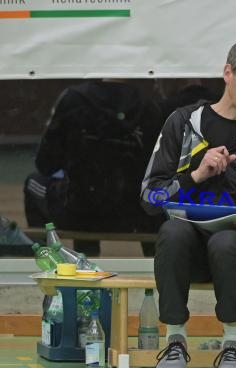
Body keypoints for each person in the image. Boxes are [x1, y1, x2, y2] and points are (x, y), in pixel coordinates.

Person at [140, 39, 236, 368]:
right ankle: (174, 341)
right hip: (189, 254)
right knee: (172, 231)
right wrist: (195, 175)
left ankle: (233, 345)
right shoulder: (182, 123)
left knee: (227, 242)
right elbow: (149, 198)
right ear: (227, 73)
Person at [24, 79, 165, 256]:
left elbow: (45, 165)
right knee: (154, 196)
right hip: (132, 218)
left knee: (34, 184)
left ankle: (49, 263)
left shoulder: (73, 99)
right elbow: (159, 169)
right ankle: (155, 269)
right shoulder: (149, 107)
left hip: (79, 213)